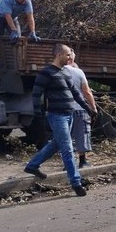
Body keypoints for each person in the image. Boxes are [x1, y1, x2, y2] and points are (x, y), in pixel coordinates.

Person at [24, 43, 96, 196]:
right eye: (68, 54)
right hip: (57, 116)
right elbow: (36, 94)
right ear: (58, 55)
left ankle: (32, 165)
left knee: (56, 144)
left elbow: (76, 93)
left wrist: (88, 108)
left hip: (69, 114)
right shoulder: (46, 73)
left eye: (70, 54)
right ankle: (76, 183)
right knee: (67, 148)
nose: (70, 57)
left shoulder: (66, 72)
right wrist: (38, 114)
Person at [65, 49, 97, 169]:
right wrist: (93, 108)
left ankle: (68, 163)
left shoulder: (57, 71)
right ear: (72, 58)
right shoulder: (78, 72)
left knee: (67, 137)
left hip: (64, 110)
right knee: (82, 134)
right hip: (79, 108)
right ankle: (82, 162)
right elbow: (86, 92)